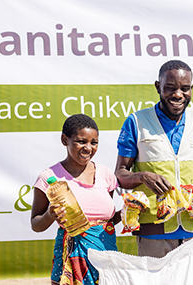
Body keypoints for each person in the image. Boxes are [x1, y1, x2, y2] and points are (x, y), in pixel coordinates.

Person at [114, 60, 193, 258]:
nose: (178, 95)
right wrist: (143, 176)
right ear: (158, 87)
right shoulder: (136, 122)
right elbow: (120, 174)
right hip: (153, 231)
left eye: (185, 88)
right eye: (170, 88)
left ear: (191, 89)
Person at [31, 114, 119, 285]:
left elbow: (107, 223)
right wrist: (50, 215)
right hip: (70, 260)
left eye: (94, 143)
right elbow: (36, 225)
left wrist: (127, 212)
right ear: (64, 140)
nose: (88, 148)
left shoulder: (105, 174)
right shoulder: (49, 177)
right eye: (81, 141)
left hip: (105, 257)